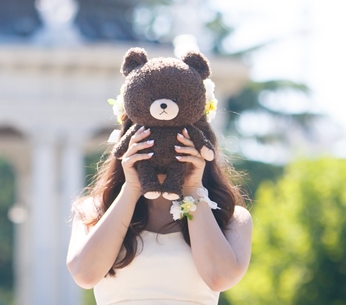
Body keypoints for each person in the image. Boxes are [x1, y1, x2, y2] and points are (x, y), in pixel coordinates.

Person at [67, 113, 252, 304]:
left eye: (178, 138)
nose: (164, 149)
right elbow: (85, 275)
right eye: (150, 135)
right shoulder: (94, 210)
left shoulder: (231, 217)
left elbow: (219, 278)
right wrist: (131, 189)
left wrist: (194, 190)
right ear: (129, 141)